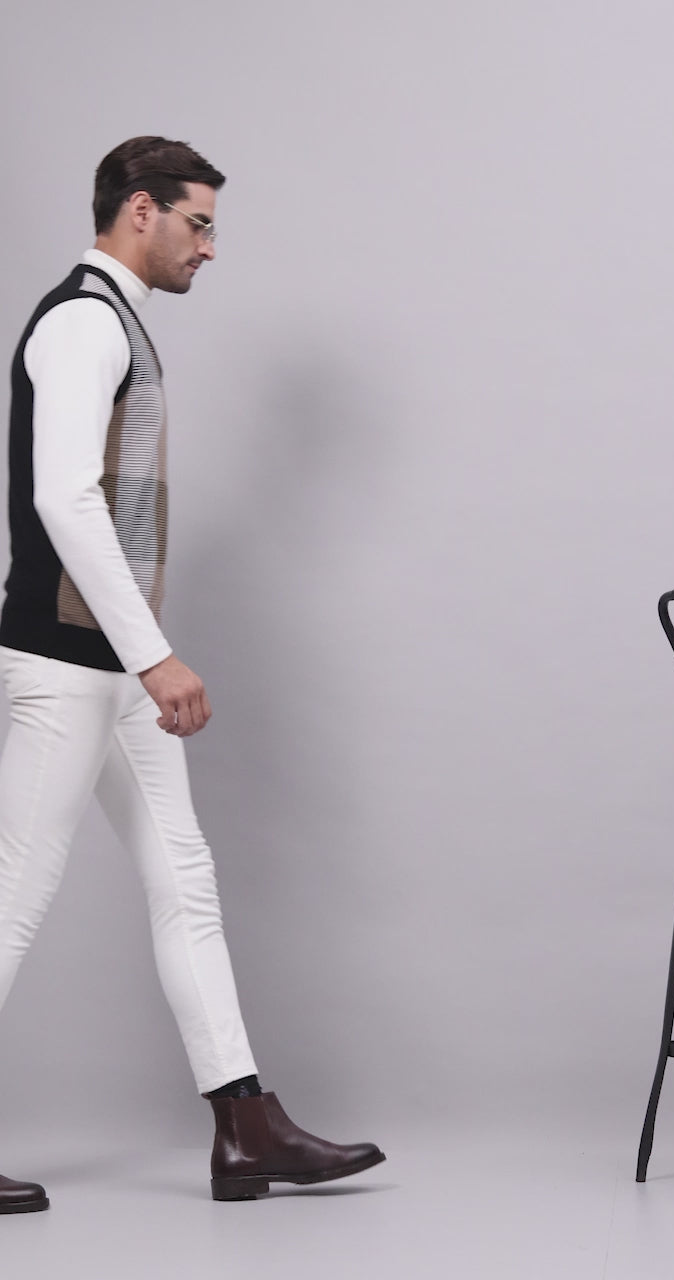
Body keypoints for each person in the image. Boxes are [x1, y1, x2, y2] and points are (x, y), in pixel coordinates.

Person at [0, 137, 384, 1213]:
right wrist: (156, 653)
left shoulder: (117, 321)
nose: (210, 247)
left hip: (110, 661)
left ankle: (245, 1128)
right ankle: (245, 1128)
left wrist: (139, 656)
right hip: (68, 660)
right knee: (13, 895)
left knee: (185, 883)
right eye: (198, 223)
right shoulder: (83, 321)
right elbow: (63, 497)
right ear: (140, 210)